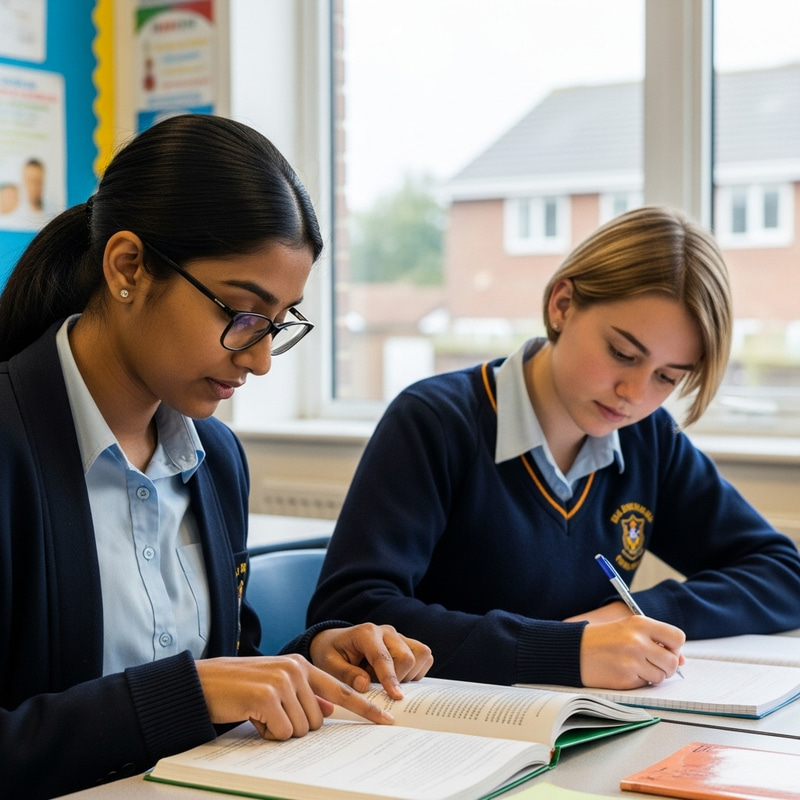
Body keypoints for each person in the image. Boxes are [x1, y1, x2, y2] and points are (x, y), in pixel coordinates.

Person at [0, 114, 432, 799]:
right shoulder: (12, 446)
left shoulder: (216, 458)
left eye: (278, 323)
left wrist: (309, 660)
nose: (259, 360)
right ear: (128, 267)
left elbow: (224, 667)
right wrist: (181, 696)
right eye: (240, 312)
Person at [308, 205, 800, 693]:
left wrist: (632, 612)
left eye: (668, 377)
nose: (635, 393)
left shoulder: (649, 439)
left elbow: (782, 573)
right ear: (562, 305)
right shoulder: (437, 421)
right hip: (441, 732)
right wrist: (564, 649)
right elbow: (351, 614)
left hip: (580, 720)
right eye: (622, 354)